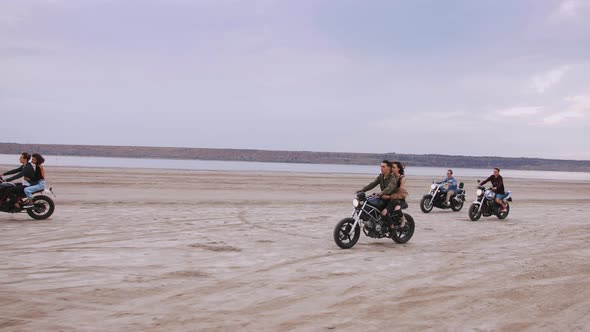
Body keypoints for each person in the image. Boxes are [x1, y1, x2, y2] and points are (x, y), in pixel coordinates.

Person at [357, 160, 398, 231]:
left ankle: (392, 228)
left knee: (384, 212)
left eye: (383, 167)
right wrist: (362, 190)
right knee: (369, 203)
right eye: (381, 167)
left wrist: (382, 193)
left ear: (388, 168)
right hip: (383, 198)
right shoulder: (381, 177)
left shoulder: (392, 178)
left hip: (392, 199)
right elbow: (372, 184)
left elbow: (390, 188)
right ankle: (372, 222)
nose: (381, 168)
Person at [381, 161, 409, 230]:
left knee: (396, 208)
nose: (392, 169)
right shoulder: (390, 176)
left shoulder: (402, 178)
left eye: (394, 167)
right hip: (389, 198)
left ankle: (403, 219)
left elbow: (401, 192)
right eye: (392, 167)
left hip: (398, 199)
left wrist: (389, 196)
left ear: (398, 169)